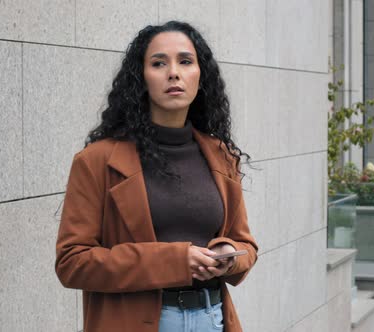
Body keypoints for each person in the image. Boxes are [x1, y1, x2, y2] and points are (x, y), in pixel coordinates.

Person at [55, 20, 258, 332]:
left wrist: (228, 254)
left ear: (200, 76)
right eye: (159, 63)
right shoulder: (97, 161)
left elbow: (246, 244)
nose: (173, 72)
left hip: (212, 318)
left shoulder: (221, 155)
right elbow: (72, 263)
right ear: (141, 77)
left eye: (185, 61)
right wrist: (176, 261)